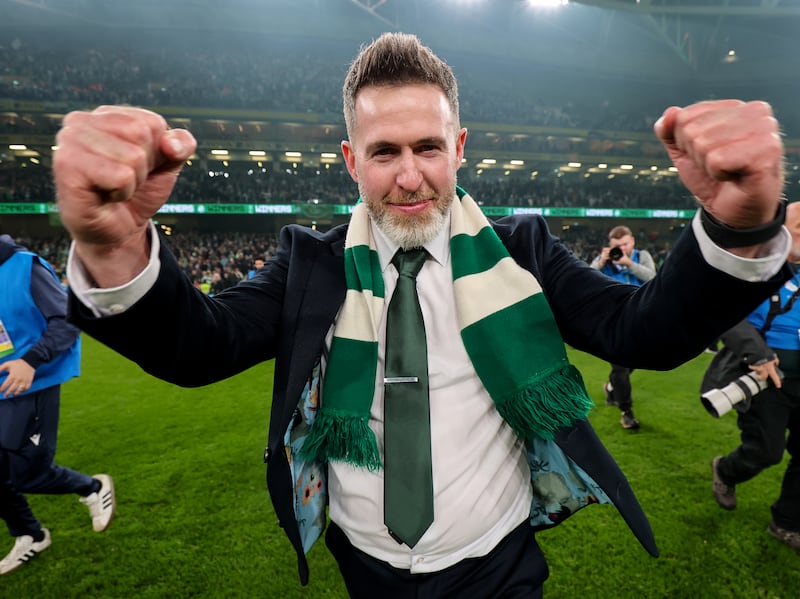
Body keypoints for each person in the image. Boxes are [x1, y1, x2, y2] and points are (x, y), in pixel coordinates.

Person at [53, 33, 791, 597]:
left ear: (460, 149)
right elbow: (198, 349)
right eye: (385, 152)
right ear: (350, 159)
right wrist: (112, 245)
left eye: (429, 147)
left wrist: (738, 229)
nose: (409, 175)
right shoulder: (310, 263)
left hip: (497, 564)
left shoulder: (519, 251)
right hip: (365, 561)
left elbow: (644, 333)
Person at [0, 235, 116, 576]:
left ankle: (92, 487)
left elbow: (68, 320)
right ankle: (30, 535)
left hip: (32, 382)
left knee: (26, 472)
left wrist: (32, 360)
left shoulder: (24, 266)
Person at [703, 201, 800, 554]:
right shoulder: (754, 266)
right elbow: (724, 312)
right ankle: (727, 471)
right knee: (766, 451)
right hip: (766, 374)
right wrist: (757, 354)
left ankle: (786, 522)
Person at [590, 225, 657, 429]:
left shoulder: (641, 256)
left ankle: (611, 388)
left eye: (625, 244)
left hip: (639, 318)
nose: (622, 249)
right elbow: (585, 277)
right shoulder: (605, 261)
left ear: (633, 242)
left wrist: (628, 263)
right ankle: (626, 412)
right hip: (613, 321)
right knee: (620, 366)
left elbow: (654, 279)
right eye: (617, 246)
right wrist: (601, 261)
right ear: (610, 246)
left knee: (634, 361)